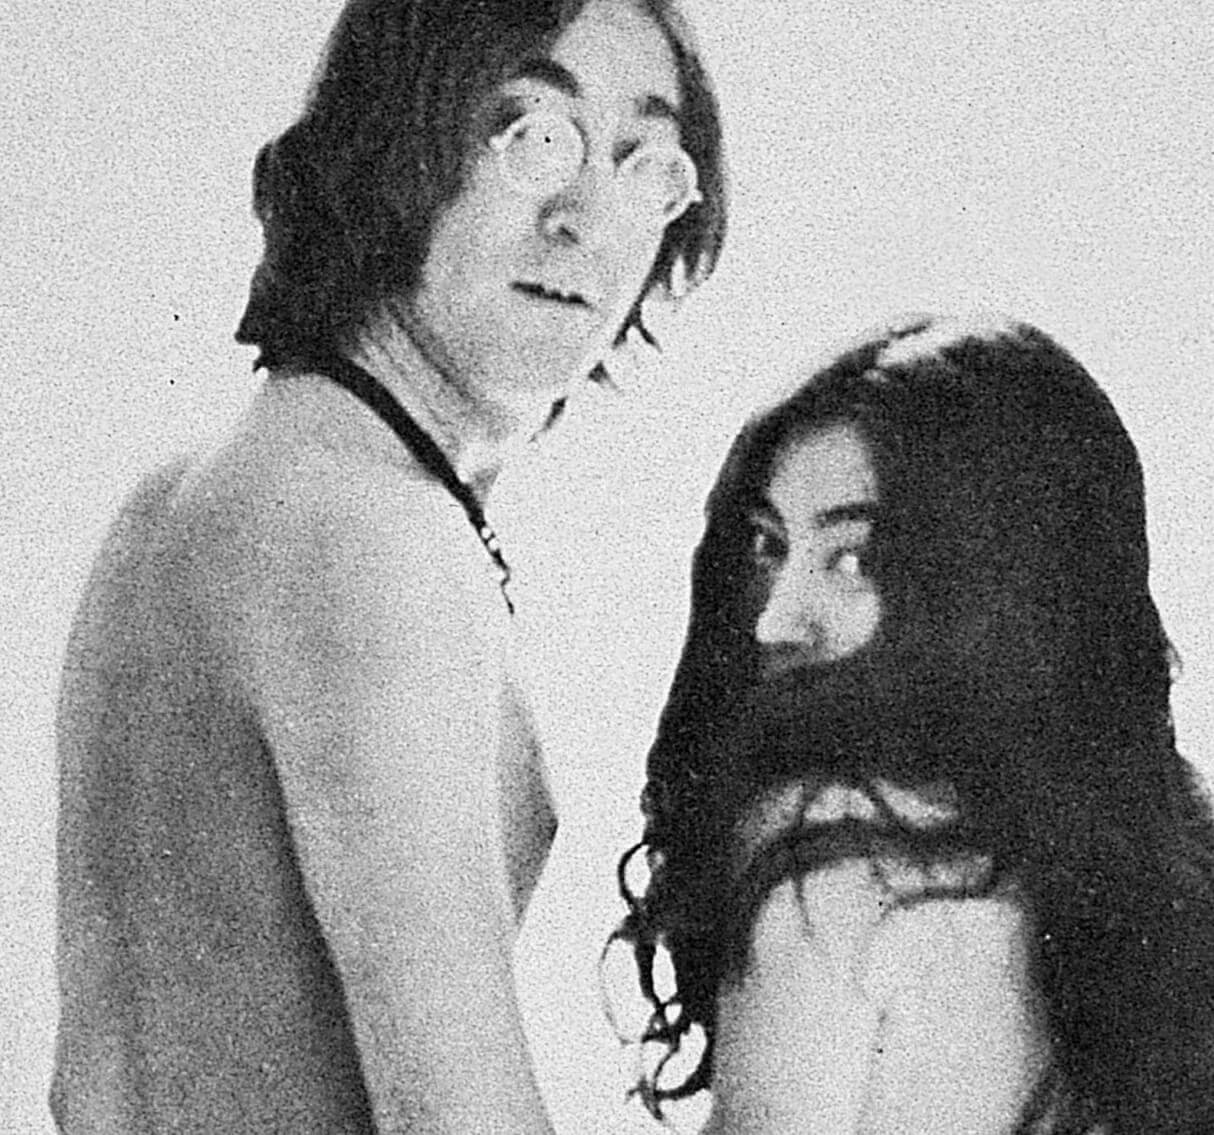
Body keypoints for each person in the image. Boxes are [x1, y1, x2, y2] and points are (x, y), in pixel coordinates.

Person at [51, 0, 725, 1130]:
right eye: (534, 134)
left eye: (644, 161)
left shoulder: (188, 497)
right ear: (394, 146)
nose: (587, 219)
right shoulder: (377, 535)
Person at [613, 316, 1214, 1132]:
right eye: (766, 544)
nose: (774, 620)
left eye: (853, 559)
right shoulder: (1166, 861)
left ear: (998, 585)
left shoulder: (821, 858)